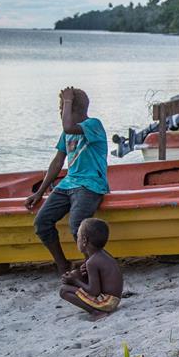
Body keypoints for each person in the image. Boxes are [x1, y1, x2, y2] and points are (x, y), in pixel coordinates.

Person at [24, 87, 109, 275]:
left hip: (90, 184)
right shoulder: (67, 133)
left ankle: (92, 267)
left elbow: (68, 126)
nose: (60, 112)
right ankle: (62, 264)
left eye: (62, 108)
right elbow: (57, 162)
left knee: (78, 225)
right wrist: (39, 192)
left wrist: (68, 101)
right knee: (42, 222)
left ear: (73, 109)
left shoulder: (93, 125)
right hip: (68, 184)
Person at [59, 218, 123, 321]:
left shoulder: (92, 262)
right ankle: (96, 309)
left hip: (107, 302)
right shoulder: (101, 255)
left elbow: (94, 292)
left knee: (64, 290)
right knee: (76, 274)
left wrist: (75, 281)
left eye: (78, 237)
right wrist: (79, 276)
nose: (77, 241)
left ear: (84, 240)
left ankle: (96, 312)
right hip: (113, 300)